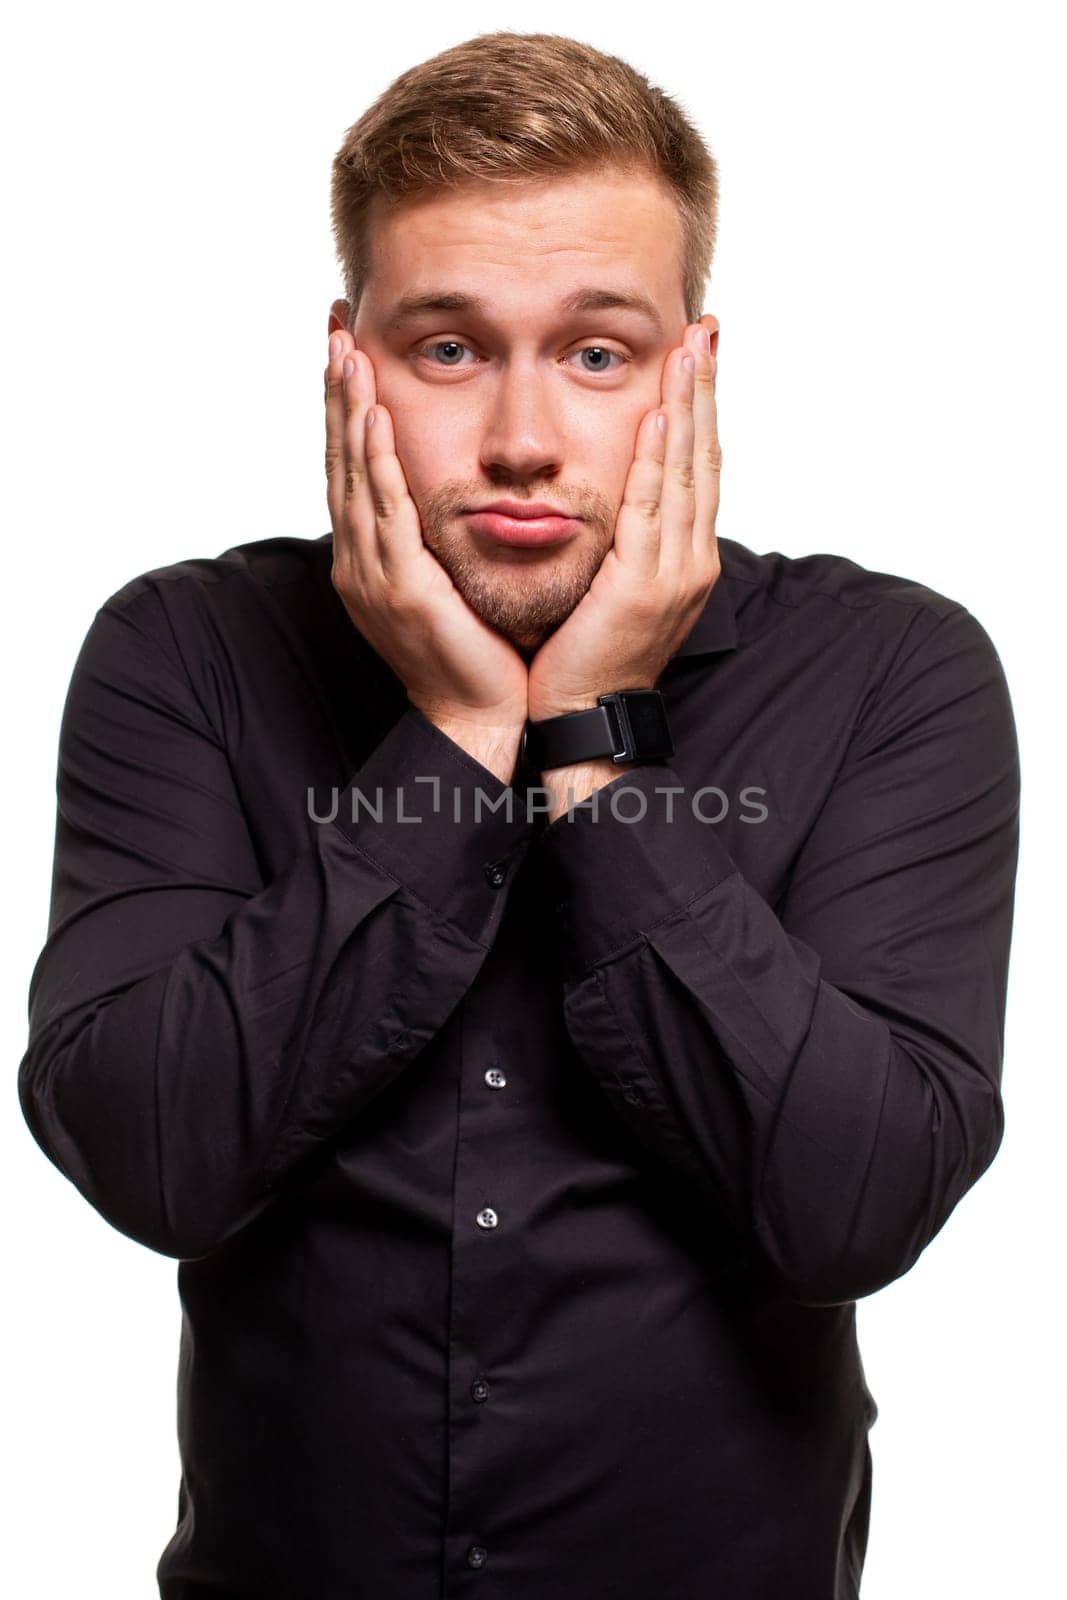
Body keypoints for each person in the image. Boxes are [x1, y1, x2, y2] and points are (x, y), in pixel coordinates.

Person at [18, 29, 1020, 1599]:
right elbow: (152, 1154)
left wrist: (592, 748)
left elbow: (859, 1201)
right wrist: (461, 724)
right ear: (347, 360)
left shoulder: (896, 671)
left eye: (599, 353)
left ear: (693, 370)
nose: (524, 442)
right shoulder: (184, 652)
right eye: (449, 348)